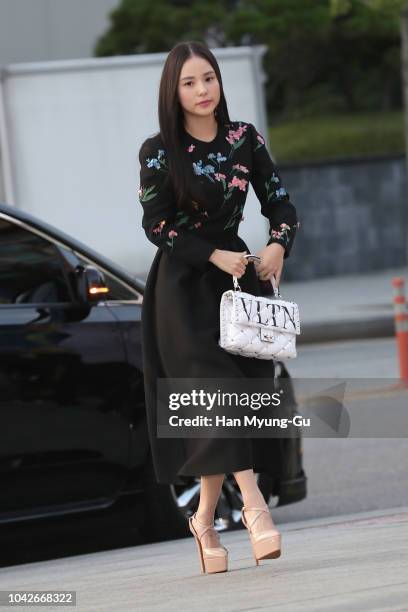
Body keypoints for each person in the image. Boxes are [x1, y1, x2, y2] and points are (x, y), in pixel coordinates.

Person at [138, 40, 299, 575]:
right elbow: (155, 225)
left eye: (209, 78)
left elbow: (279, 201)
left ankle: (204, 522)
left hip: (239, 290)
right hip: (182, 294)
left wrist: (276, 244)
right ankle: (254, 510)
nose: (203, 90)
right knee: (218, 394)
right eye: (189, 82)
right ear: (173, 91)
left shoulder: (243, 139)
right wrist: (211, 252)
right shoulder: (157, 151)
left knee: (235, 403)